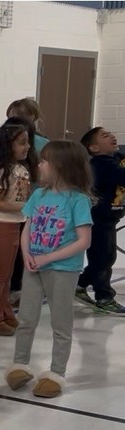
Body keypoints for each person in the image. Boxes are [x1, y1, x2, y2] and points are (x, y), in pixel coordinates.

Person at [5, 141, 93, 398]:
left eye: (44, 161)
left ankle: (57, 372)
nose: (39, 165)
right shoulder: (38, 195)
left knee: (60, 323)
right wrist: (27, 255)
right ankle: (20, 364)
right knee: (27, 318)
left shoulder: (78, 200)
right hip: (34, 267)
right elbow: (27, 229)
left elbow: (83, 241)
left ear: (61, 166)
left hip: (63, 270)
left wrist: (47, 259)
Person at [0, 123, 37, 335]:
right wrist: (28, 207)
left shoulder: (20, 168)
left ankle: (4, 312)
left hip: (14, 225)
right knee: (0, 275)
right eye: (22, 143)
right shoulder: (2, 170)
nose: (28, 146)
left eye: (28, 142)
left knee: (7, 275)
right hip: (1, 226)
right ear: (8, 145)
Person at [77, 126, 125, 315]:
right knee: (103, 258)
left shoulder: (115, 159)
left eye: (111, 133)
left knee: (105, 257)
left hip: (110, 219)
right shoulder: (101, 165)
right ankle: (104, 296)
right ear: (94, 148)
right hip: (98, 220)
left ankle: (80, 285)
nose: (112, 136)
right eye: (105, 136)